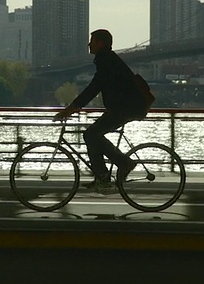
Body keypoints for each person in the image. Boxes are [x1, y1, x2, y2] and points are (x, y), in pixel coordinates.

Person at [53, 29, 146, 189]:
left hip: (125, 108)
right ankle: (102, 176)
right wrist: (73, 107)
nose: (89, 44)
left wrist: (71, 108)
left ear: (101, 43)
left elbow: (94, 87)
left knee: (91, 134)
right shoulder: (107, 59)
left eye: (92, 41)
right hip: (124, 106)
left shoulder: (106, 61)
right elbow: (96, 86)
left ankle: (122, 164)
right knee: (92, 135)